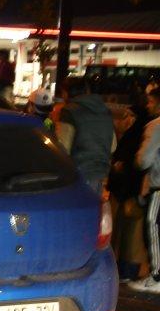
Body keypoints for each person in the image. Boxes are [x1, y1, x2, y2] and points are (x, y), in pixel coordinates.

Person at [57, 77, 116, 193]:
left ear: (66, 93)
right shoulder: (104, 111)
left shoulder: (69, 111)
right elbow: (113, 146)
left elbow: (62, 148)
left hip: (76, 176)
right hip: (99, 175)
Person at [108, 103, 146, 282]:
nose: (124, 120)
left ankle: (127, 270)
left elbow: (138, 163)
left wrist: (121, 166)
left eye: (128, 116)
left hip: (130, 191)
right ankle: (124, 269)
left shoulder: (137, 136)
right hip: (126, 190)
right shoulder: (131, 135)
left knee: (131, 235)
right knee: (125, 233)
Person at [129, 85, 160, 292]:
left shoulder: (156, 126)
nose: (148, 106)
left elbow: (144, 160)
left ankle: (157, 276)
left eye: (150, 102)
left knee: (153, 226)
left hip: (158, 186)